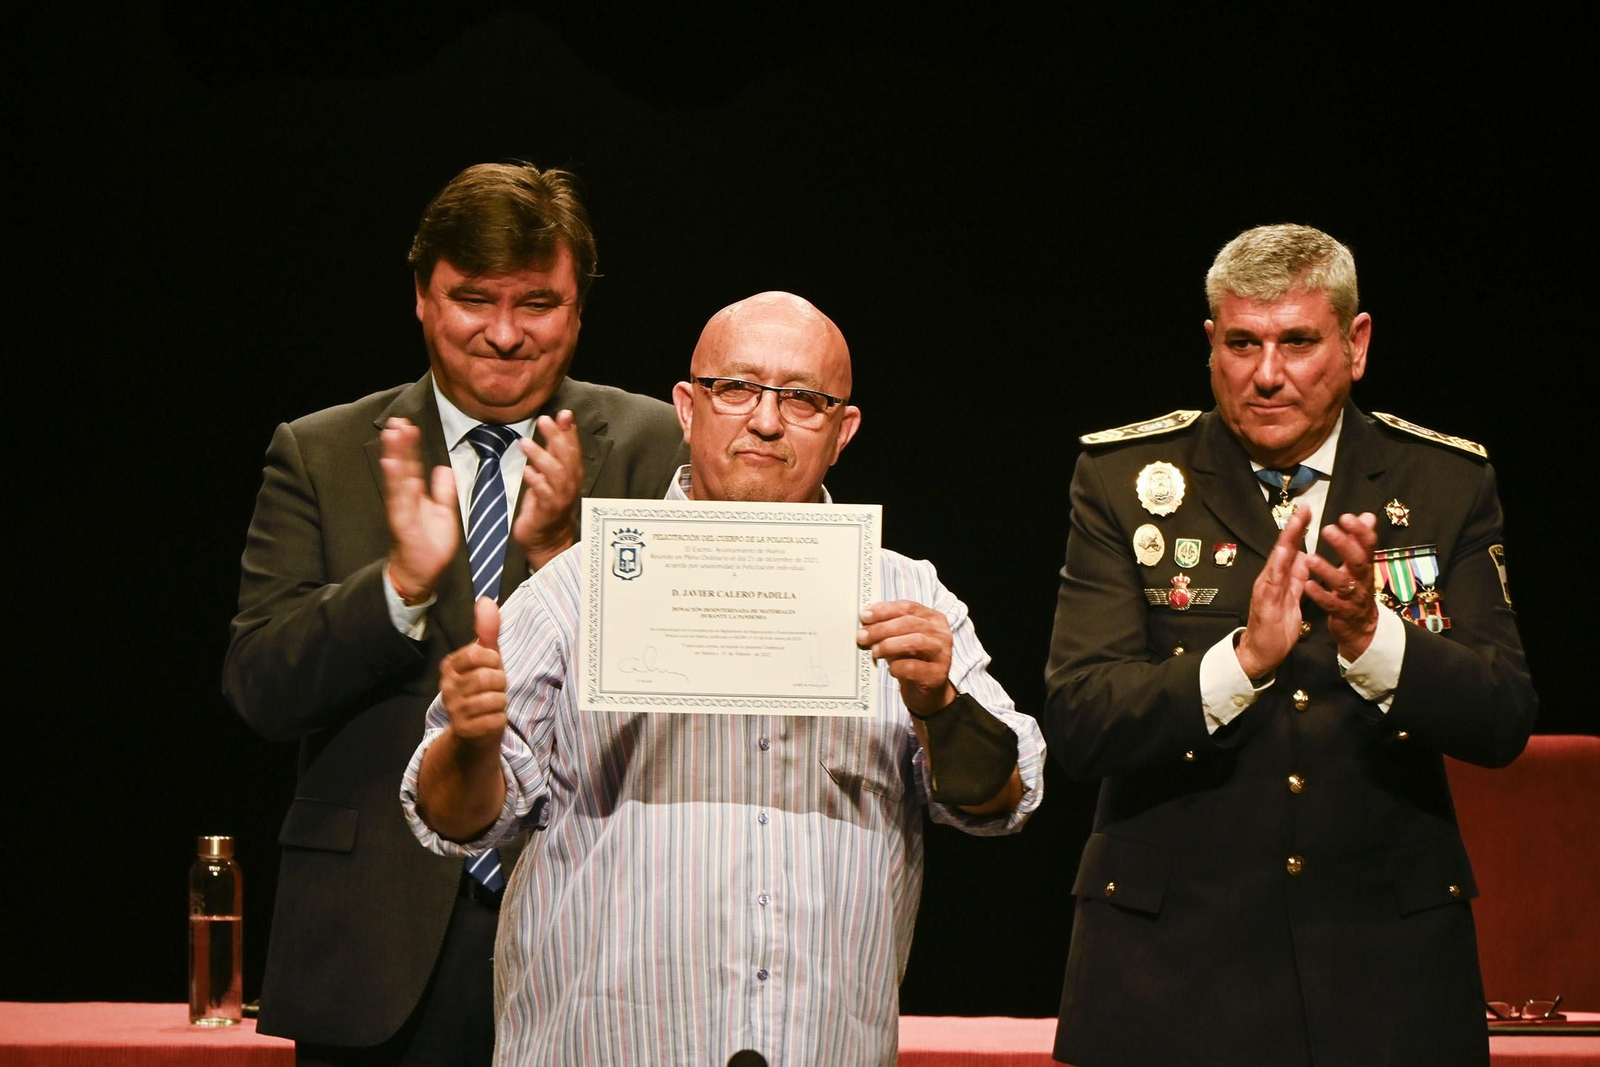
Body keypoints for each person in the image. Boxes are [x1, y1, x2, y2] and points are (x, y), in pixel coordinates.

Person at [401, 292, 1046, 1066]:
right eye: (736, 388)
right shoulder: (575, 592)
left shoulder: (909, 599)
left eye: (804, 398)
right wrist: (472, 743)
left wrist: (938, 705)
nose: (766, 421)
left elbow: (1000, 795)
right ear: (687, 406)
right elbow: (455, 819)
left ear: (843, 431)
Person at [223, 162, 686, 1065]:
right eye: (473, 298)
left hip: (607, 943)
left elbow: (697, 686)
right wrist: (395, 585)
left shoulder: (658, 446)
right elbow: (259, 688)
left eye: (538, 303)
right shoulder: (320, 453)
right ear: (423, 299)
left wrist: (563, 564)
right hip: (378, 949)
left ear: (579, 308)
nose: (504, 335)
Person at [1046, 224, 1536, 1066]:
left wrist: (1373, 637)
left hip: (1387, 977)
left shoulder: (1445, 482)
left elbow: (1502, 717)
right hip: (1168, 974)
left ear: (1356, 342)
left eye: (1298, 342)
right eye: (1242, 342)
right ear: (1211, 344)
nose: (1267, 373)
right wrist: (1238, 664)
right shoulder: (1122, 479)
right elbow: (1081, 719)